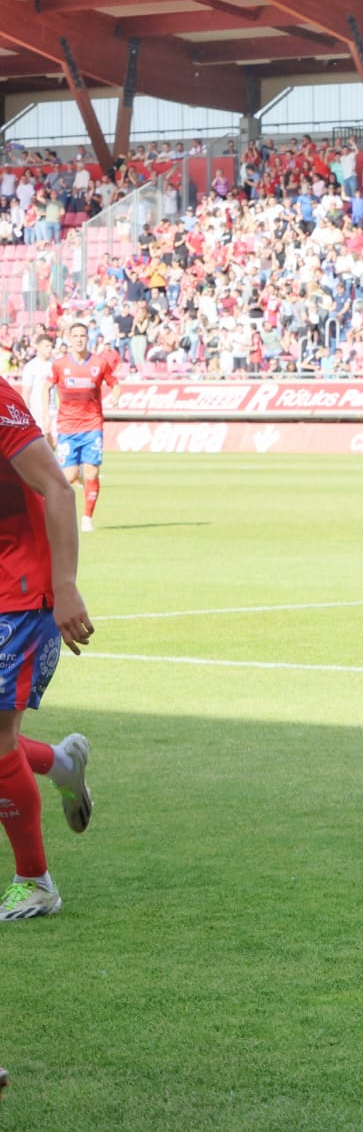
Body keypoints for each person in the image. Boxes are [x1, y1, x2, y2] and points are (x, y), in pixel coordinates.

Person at [0, 373, 98, 922]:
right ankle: (61, 765)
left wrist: (64, 587)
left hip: (21, 592)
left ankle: (35, 881)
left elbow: (58, 488)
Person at [50, 323, 119, 534]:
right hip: (68, 427)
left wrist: (115, 395)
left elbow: (114, 383)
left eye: (83, 336)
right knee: (69, 477)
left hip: (92, 425)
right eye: (76, 336)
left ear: (87, 338)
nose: (79, 339)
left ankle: (87, 518)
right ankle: (75, 477)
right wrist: (46, 415)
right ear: (69, 338)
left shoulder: (99, 363)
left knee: (92, 470)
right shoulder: (60, 365)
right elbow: (47, 385)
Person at [19, 334, 54, 443]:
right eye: (46, 346)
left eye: (51, 346)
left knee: (54, 443)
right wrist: (26, 413)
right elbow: (26, 391)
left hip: (53, 409)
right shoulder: (31, 366)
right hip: (36, 411)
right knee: (42, 443)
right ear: (38, 347)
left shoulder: (54, 364)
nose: (49, 349)